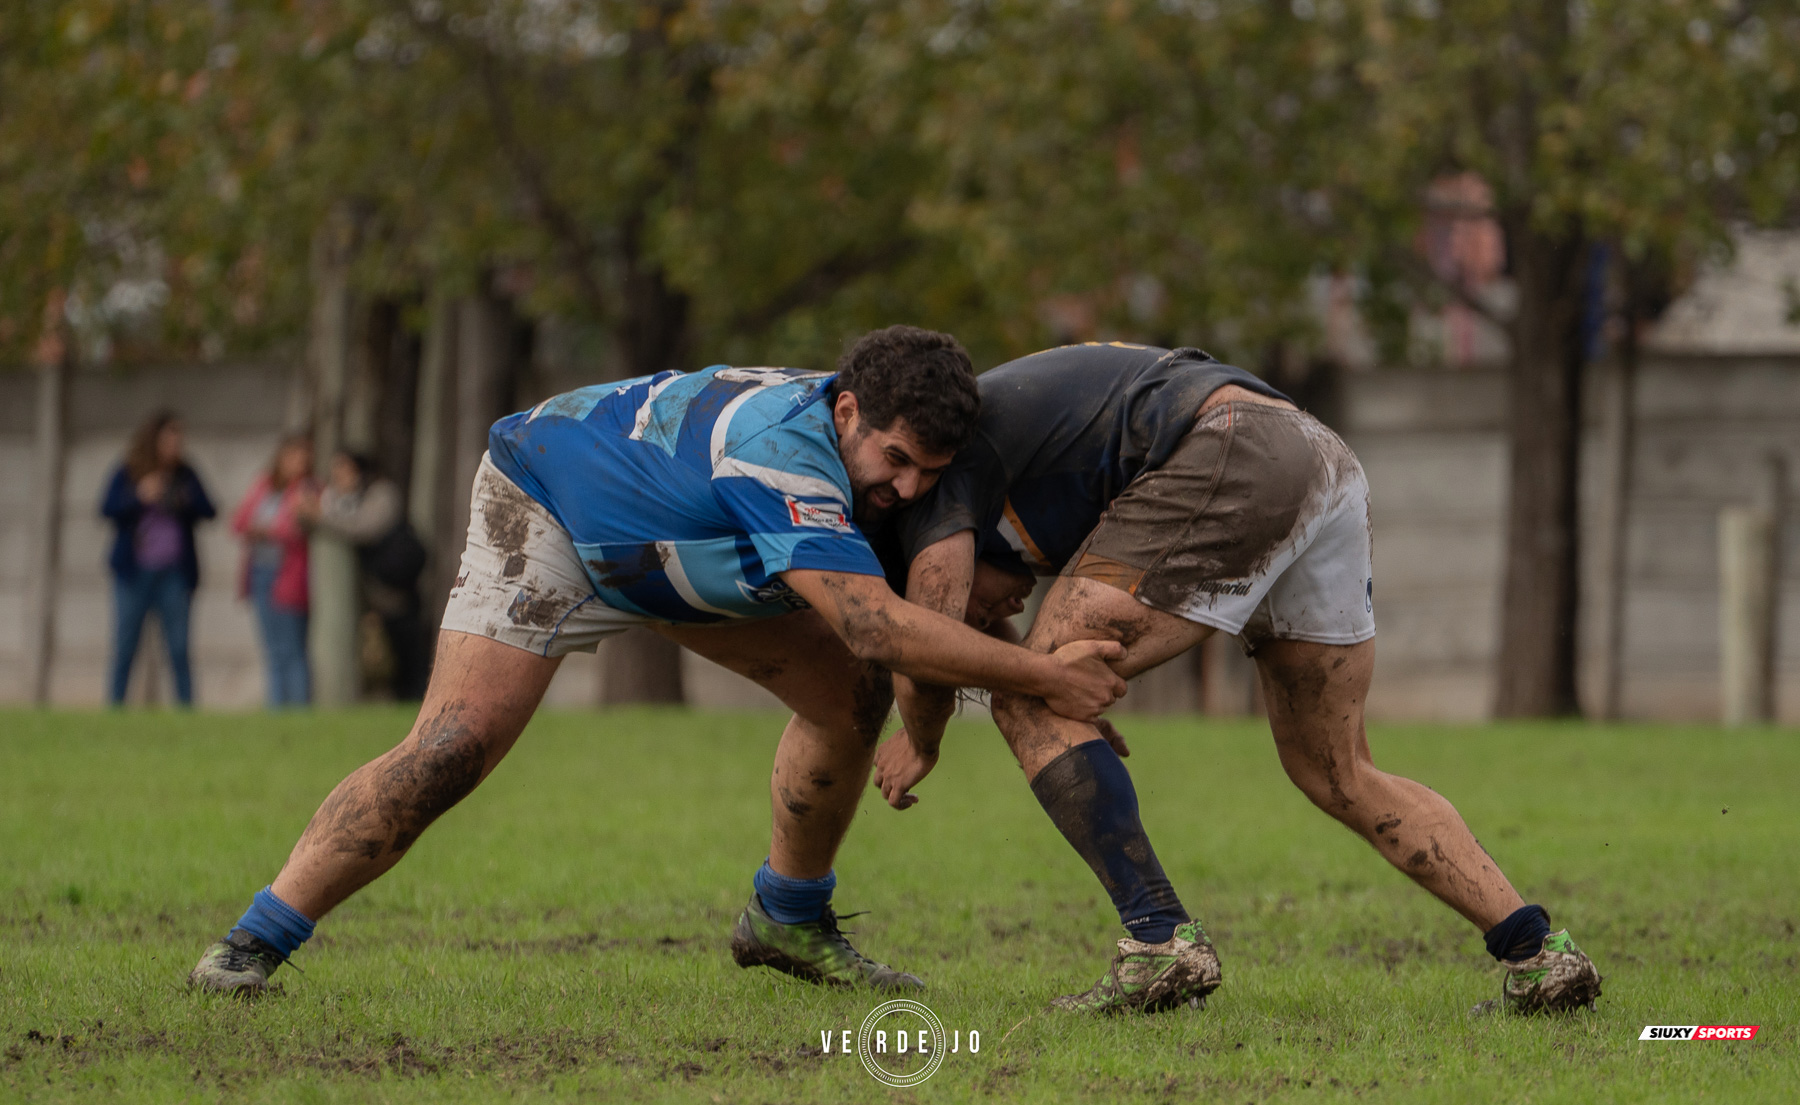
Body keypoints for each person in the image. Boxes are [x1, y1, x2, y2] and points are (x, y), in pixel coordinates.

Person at [188, 326, 1128, 995]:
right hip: (553, 508)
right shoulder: (781, 453)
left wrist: (996, 693)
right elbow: (879, 624)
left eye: (931, 470)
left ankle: (788, 917)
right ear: (846, 411)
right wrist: (1048, 678)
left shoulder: (861, 449)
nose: (911, 488)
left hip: (682, 553)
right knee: (453, 748)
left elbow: (910, 630)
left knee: (851, 696)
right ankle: (252, 941)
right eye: (898, 460)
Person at [869, 342, 1603, 1016]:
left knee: (1028, 691)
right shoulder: (1002, 457)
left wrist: (922, 741)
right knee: (1336, 770)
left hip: (1233, 450)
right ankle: (1539, 954)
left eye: (973, 607)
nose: (994, 612)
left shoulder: (930, 493)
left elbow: (926, 645)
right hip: (1315, 456)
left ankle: (1160, 943)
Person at [99, 410, 216, 706]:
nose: (176, 445)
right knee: (125, 645)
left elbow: (209, 510)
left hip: (174, 573)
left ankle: (186, 711)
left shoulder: (185, 473)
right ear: (154, 440)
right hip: (134, 572)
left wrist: (183, 499)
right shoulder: (129, 470)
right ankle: (115, 708)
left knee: (178, 647)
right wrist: (139, 496)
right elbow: (107, 508)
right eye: (170, 439)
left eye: (179, 439)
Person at [303, 451, 431, 700]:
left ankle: (416, 696)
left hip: (397, 586)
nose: (339, 477)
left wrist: (321, 517)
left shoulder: (382, 494)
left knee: (408, 649)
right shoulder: (338, 499)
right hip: (370, 590)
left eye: (344, 470)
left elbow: (363, 527)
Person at [232, 434, 317, 708]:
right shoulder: (264, 485)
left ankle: (299, 711)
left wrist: (266, 530)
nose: (298, 463)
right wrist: (261, 529)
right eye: (292, 456)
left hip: (290, 576)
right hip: (261, 572)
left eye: (302, 457)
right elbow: (239, 521)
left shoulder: (309, 488)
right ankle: (277, 710)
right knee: (272, 650)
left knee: (293, 648)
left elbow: (295, 529)